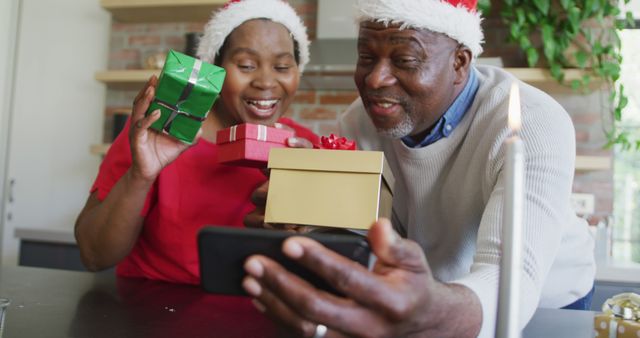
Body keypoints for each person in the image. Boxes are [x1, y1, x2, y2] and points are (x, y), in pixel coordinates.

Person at [241, 0, 596, 337]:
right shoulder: (358, 121)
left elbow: (510, 279)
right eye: (366, 56)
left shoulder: (530, 121)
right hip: (427, 302)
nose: (376, 79)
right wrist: (314, 217)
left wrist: (432, 311)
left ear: (459, 62)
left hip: (546, 307)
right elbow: (373, 238)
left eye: (406, 60)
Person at [75, 0, 318, 285]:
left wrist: (311, 214)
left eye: (282, 66)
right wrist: (141, 175)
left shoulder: (306, 149)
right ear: (215, 67)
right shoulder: (156, 131)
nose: (266, 82)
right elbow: (93, 255)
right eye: (247, 65)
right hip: (154, 313)